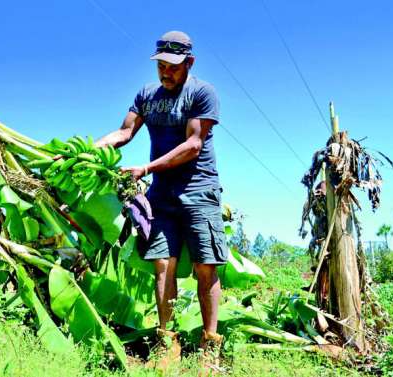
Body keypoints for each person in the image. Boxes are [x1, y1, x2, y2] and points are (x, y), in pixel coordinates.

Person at [96, 31, 228, 370]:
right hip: (162, 195)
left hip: (199, 191)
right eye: (161, 67)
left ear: (189, 62)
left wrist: (146, 167)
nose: (165, 73)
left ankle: (209, 348)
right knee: (162, 266)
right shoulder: (147, 95)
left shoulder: (202, 93)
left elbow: (194, 144)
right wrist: (89, 149)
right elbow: (124, 133)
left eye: (172, 67)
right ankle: (167, 342)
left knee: (205, 266)